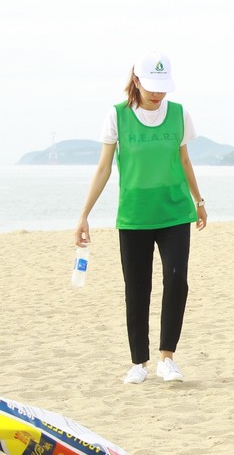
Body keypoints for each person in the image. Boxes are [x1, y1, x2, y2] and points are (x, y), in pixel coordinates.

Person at [74, 52, 207, 385]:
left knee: (177, 280)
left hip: (175, 211)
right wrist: (84, 214)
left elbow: (185, 161)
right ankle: (139, 363)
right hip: (134, 215)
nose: (158, 94)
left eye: (163, 87)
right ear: (136, 80)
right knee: (137, 288)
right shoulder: (117, 116)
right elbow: (104, 168)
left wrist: (199, 200)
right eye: (151, 87)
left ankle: (167, 358)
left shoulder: (179, 114)